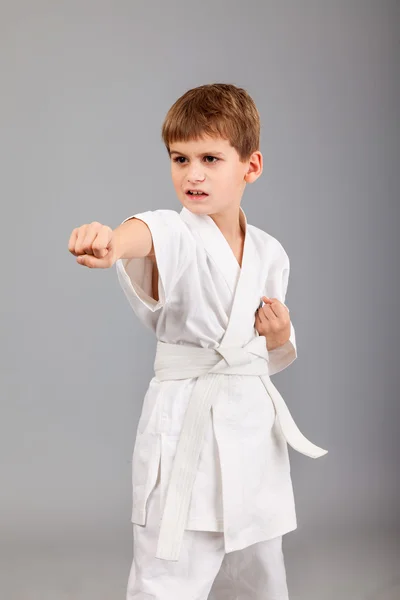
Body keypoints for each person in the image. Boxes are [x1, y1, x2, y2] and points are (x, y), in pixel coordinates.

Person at [68, 83, 328, 600]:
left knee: (261, 571)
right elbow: (146, 232)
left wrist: (280, 333)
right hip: (186, 422)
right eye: (180, 158)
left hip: (251, 431)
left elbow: (267, 345)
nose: (193, 174)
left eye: (210, 157)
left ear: (250, 166)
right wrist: (111, 242)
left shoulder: (270, 252)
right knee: (169, 571)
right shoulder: (176, 231)